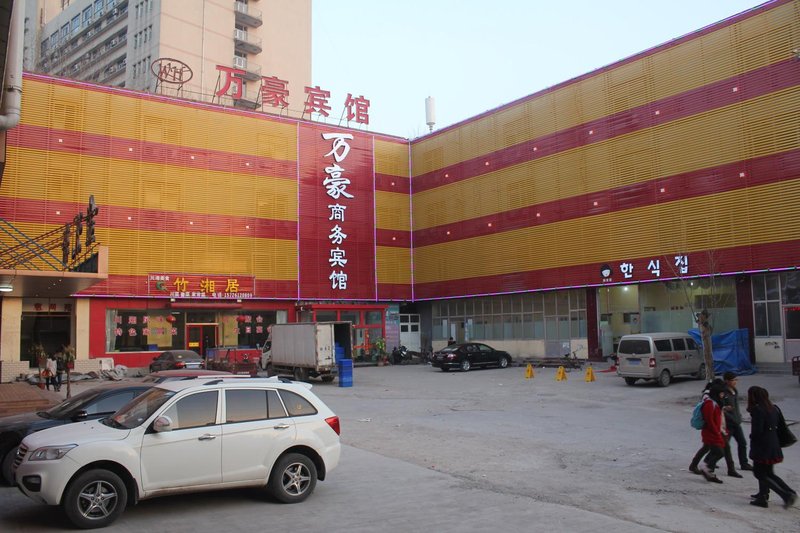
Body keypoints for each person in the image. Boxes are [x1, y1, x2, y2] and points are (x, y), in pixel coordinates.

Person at [747, 386, 797, 509]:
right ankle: (787, 492)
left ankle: (785, 495)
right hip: (773, 445)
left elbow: (757, 432)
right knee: (769, 473)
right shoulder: (773, 408)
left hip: (762, 447)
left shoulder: (758, 410)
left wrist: (751, 437)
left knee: (760, 473)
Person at [698, 379, 728, 483]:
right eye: (721, 393)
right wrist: (716, 431)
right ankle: (706, 467)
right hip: (711, 433)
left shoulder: (716, 403)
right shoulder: (710, 404)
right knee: (719, 452)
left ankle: (709, 471)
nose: (723, 395)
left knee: (717, 451)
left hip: (715, 431)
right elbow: (709, 420)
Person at [722, 372, 752, 473]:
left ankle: (744, 463)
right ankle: (710, 462)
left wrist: (738, 417)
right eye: (733, 380)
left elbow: (735, 406)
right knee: (723, 446)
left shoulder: (734, 390)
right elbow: (721, 409)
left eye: (736, 380)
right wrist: (731, 417)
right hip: (728, 424)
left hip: (736, 422)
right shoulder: (723, 393)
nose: (735, 382)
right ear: (726, 381)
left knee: (742, 443)